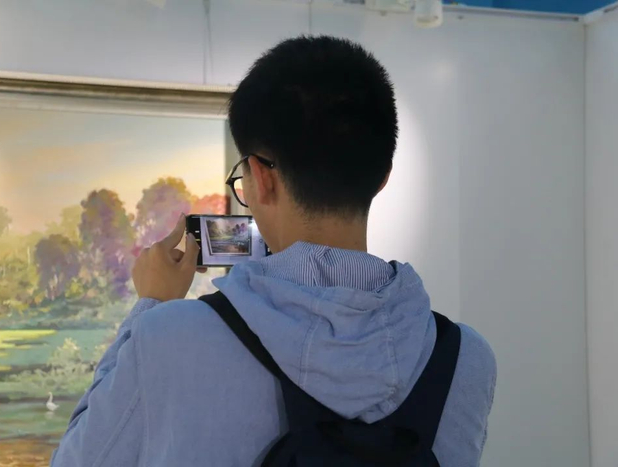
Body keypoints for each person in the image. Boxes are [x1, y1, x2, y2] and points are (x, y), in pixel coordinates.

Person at [50, 36, 496, 467]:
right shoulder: (466, 360)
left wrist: (151, 304)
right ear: (382, 176)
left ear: (261, 179)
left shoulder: (168, 338)